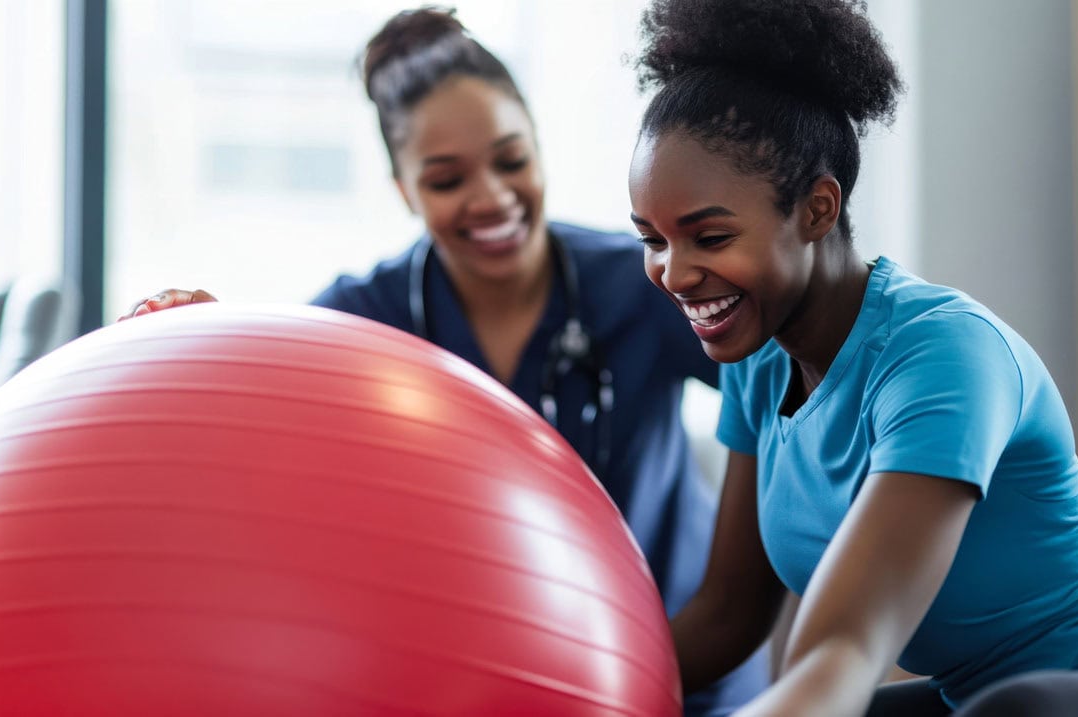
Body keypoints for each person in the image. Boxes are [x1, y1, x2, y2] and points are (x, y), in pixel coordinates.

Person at [121, 6, 770, 715]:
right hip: (480, 682)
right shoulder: (369, 314)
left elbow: (788, 367)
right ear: (403, 188)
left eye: (511, 160)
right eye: (445, 179)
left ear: (538, 148)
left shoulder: (643, 283)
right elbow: (257, 388)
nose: (491, 197)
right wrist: (188, 343)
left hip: (688, 669)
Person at [624, 0, 1078, 715]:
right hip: (982, 699)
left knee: (1017, 709)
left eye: (709, 237)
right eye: (652, 240)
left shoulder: (940, 354)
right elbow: (728, 613)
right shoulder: (758, 365)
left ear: (818, 209)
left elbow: (845, 648)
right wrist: (564, 686)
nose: (673, 271)